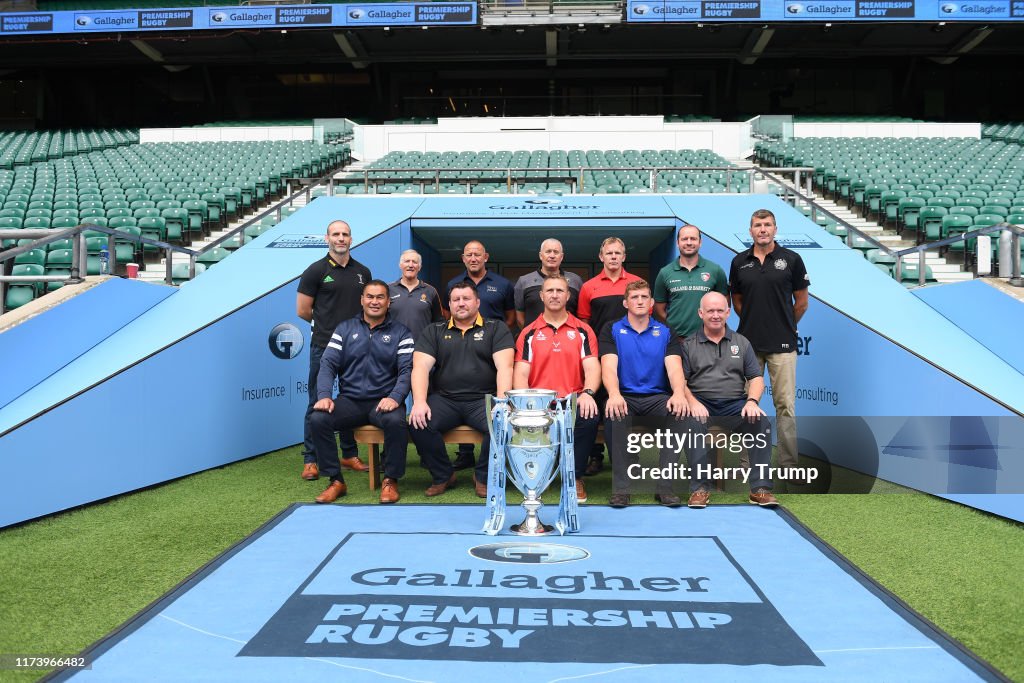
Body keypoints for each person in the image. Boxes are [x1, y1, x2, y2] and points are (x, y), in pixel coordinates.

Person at [310, 280, 414, 505]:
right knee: (318, 418)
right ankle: (336, 481)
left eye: (379, 297)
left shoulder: (402, 333)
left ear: (388, 302)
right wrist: (325, 395)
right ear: (362, 300)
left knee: (397, 422)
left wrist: (395, 398)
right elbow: (327, 364)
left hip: (384, 402)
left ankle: (390, 480)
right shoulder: (344, 329)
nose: (374, 302)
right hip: (351, 401)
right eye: (370, 296)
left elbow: (407, 371)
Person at [409, 280, 515, 497]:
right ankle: (443, 475)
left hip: (484, 400)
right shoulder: (434, 331)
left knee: (502, 423)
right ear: (449, 304)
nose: (461, 303)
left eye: (466, 298)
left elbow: (505, 367)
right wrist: (419, 402)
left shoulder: (496, 328)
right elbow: (420, 367)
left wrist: (502, 402)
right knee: (419, 422)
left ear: (477, 302)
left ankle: (483, 476)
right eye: (456, 300)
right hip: (445, 399)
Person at [728, 208, 810, 472]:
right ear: (750, 230)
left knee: (784, 405)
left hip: (783, 344)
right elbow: (738, 302)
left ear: (775, 229)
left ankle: (789, 464)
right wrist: (755, 322)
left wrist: (784, 325)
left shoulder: (792, 259)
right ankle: (745, 465)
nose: (762, 229)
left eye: (767, 225)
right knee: (746, 404)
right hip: (748, 345)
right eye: (757, 225)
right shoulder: (739, 262)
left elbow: (802, 303)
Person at [681, 292, 777, 509]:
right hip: (702, 402)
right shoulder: (688, 345)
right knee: (691, 425)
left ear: (728, 312)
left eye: (719, 311)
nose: (715, 315)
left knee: (762, 423)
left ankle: (760, 489)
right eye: (710, 311)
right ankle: (700, 489)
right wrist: (693, 403)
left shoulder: (741, 342)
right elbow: (681, 382)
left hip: (736, 404)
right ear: (701, 313)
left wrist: (752, 401)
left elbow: (756, 378)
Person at [600, 280, 689, 508]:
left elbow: (674, 367)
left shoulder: (665, 331)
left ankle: (664, 487)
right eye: (634, 297)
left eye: (644, 297)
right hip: (624, 395)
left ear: (651, 302)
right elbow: (608, 367)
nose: (639, 301)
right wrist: (614, 393)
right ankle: (621, 489)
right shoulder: (612, 329)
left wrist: (678, 393)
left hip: (656, 397)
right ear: (625, 302)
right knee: (614, 414)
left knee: (680, 414)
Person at [514, 274, 600, 503]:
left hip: (573, 399)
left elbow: (592, 367)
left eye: (559, 291)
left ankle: (575, 476)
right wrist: (527, 406)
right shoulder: (529, 332)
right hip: (540, 402)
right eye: (549, 291)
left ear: (568, 296)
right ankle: (536, 477)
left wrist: (588, 393)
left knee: (589, 416)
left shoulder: (583, 330)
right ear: (542, 296)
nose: (554, 295)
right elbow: (521, 373)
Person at [296, 219, 371, 482]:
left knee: (350, 401)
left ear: (351, 239)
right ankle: (311, 459)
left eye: (345, 234)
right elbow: (303, 310)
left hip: (357, 348)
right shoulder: (315, 270)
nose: (341, 238)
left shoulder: (363, 272)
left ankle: (349, 454)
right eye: (336, 234)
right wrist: (327, 327)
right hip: (323, 346)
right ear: (327, 238)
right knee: (317, 401)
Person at [445, 240, 515, 471]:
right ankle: (465, 454)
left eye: (477, 254)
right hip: (461, 344)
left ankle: (493, 460)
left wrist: (495, 337)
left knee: (491, 397)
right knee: (463, 391)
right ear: (463, 258)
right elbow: (448, 316)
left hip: (493, 346)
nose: (473, 258)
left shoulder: (503, 284)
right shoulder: (453, 284)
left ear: (486, 257)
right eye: (469, 255)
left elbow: (511, 316)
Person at [576, 237, 643, 476]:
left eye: (618, 253)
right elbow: (584, 322)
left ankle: (630, 458)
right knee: (596, 403)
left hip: (631, 353)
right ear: (601, 257)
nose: (613, 257)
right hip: (600, 352)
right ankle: (595, 456)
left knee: (625, 401)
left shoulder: (636, 283)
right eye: (609, 253)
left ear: (624, 257)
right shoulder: (589, 287)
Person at [653, 224, 728, 341]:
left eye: (693, 239)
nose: (689, 242)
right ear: (678, 243)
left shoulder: (715, 270)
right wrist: (673, 325)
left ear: (700, 242)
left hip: (708, 339)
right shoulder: (665, 272)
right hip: (676, 339)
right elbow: (659, 309)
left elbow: (725, 303)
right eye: (684, 239)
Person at [514, 238, 583, 328]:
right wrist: (532, 334)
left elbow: (582, 315)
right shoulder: (524, 281)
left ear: (561, 257)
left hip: (570, 338)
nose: (552, 255)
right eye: (548, 251)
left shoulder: (575, 281)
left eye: (556, 252)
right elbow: (519, 317)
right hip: (535, 339)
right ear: (540, 255)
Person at [388, 249, 445, 340]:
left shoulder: (431, 291)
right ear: (400, 265)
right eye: (407, 261)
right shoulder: (388, 290)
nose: (410, 265)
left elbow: (439, 322)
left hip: (422, 348)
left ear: (419, 266)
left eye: (414, 262)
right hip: (394, 347)